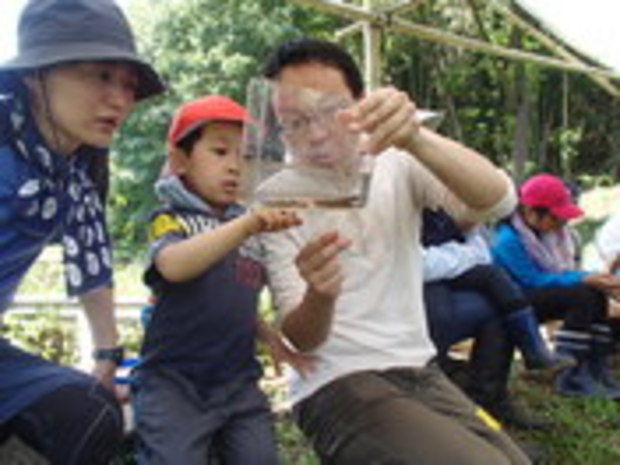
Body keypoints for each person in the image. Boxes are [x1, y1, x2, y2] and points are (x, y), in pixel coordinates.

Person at [260, 38, 530, 465]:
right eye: (294, 122)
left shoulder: (397, 160)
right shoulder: (275, 197)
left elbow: (497, 202)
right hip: (334, 382)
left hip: (419, 368)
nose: (314, 134)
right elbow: (300, 336)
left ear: (361, 103)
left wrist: (414, 136)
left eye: (330, 111)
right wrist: (320, 295)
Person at [0, 0, 165, 463]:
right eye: (100, 76)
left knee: (91, 414)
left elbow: (92, 260)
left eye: (130, 85)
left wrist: (107, 356)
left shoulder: (78, 168)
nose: (121, 100)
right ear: (36, 76)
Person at [132, 95, 311, 465]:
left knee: (259, 457)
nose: (235, 167)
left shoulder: (248, 225)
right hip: (173, 382)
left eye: (245, 157)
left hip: (238, 383)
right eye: (219, 151)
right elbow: (173, 266)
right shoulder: (171, 219)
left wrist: (270, 337)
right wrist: (245, 225)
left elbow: (235, 296)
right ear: (181, 160)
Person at [421, 207, 555, 430]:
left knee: (500, 303)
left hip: (440, 281)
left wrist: (455, 254)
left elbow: (483, 252)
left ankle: (489, 401)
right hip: (398, 300)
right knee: (439, 314)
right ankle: (438, 412)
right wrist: (462, 254)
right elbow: (417, 264)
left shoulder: (446, 205)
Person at [492, 173, 620, 398]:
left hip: (539, 292)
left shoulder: (551, 235)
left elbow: (562, 274)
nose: (562, 224)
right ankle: (571, 375)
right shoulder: (507, 240)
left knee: (593, 293)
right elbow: (531, 280)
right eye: (556, 218)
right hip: (515, 301)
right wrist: (582, 277)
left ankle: (596, 368)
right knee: (581, 293)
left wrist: (595, 280)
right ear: (531, 212)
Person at [422, 207, 571, 371]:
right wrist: (467, 254)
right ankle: (435, 368)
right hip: (421, 278)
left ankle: (529, 352)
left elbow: (483, 253)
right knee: (440, 306)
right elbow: (423, 265)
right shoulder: (508, 238)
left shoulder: (451, 215)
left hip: (450, 268)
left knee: (495, 280)